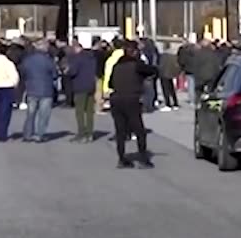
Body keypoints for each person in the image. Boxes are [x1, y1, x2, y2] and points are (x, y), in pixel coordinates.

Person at [107, 40, 156, 168]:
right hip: (131, 99)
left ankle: (121, 159)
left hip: (116, 100)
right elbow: (152, 70)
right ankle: (143, 158)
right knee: (139, 130)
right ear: (134, 52)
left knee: (120, 131)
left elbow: (110, 84)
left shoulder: (117, 66)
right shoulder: (137, 65)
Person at [18, 41, 58, 142]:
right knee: (43, 115)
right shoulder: (48, 60)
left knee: (30, 114)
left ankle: (27, 134)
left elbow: (22, 72)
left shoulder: (28, 60)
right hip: (46, 90)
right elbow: (55, 74)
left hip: (31, 89)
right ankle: (40, 135)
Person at [64, 41, 101, 141]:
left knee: (79, 111)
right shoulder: (92, 58)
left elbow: (73, 72)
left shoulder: (77, 58)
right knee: (89, 111)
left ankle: (82, 133)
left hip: (80, 86)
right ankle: (90, 133)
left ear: (76, 48)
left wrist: (67, 71)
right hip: (91, 85)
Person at [0, 42, 21, 142]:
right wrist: (14, 84)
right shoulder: (8, 63)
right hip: (7, 87)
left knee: (0, 110)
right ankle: (2, 134)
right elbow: (14, 76)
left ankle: (0, 133)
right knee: (6, 112)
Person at [157, 40, 180, 108]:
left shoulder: (162, 56)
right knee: (171, 89)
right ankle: (175, 103)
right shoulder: (173, 55)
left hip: (164, 74)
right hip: (171, 73)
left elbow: (160, 65)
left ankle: (168, 104)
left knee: (165, 90)